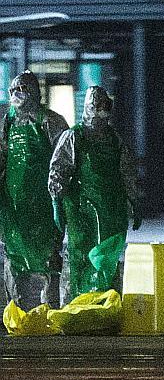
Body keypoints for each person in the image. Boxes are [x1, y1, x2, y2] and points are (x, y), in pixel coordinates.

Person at [47, 86, 141, 301]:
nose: (101, 111)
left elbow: (126, 171)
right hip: (81, 210)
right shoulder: (73, 137)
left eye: (105, 106)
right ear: (89, 107)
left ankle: (105, 303)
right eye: (97, 106)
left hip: (110, 208)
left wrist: (134, 201)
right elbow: (59, 170)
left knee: (107, 258)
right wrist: (56, 202)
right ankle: (74, 304)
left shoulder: (114, 139)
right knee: (80, 255)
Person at [1, 71, 69, 309]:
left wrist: (59, 197)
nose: (15, 95)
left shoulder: (50, 121)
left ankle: (49, 308)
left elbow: (64, 159)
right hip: (15, 202)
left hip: (42, 201)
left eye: (20, 90)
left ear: (32, 92)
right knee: (15, 254)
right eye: (12, 91)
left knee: (48, 254)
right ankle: (17, 310)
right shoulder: (7, 121)